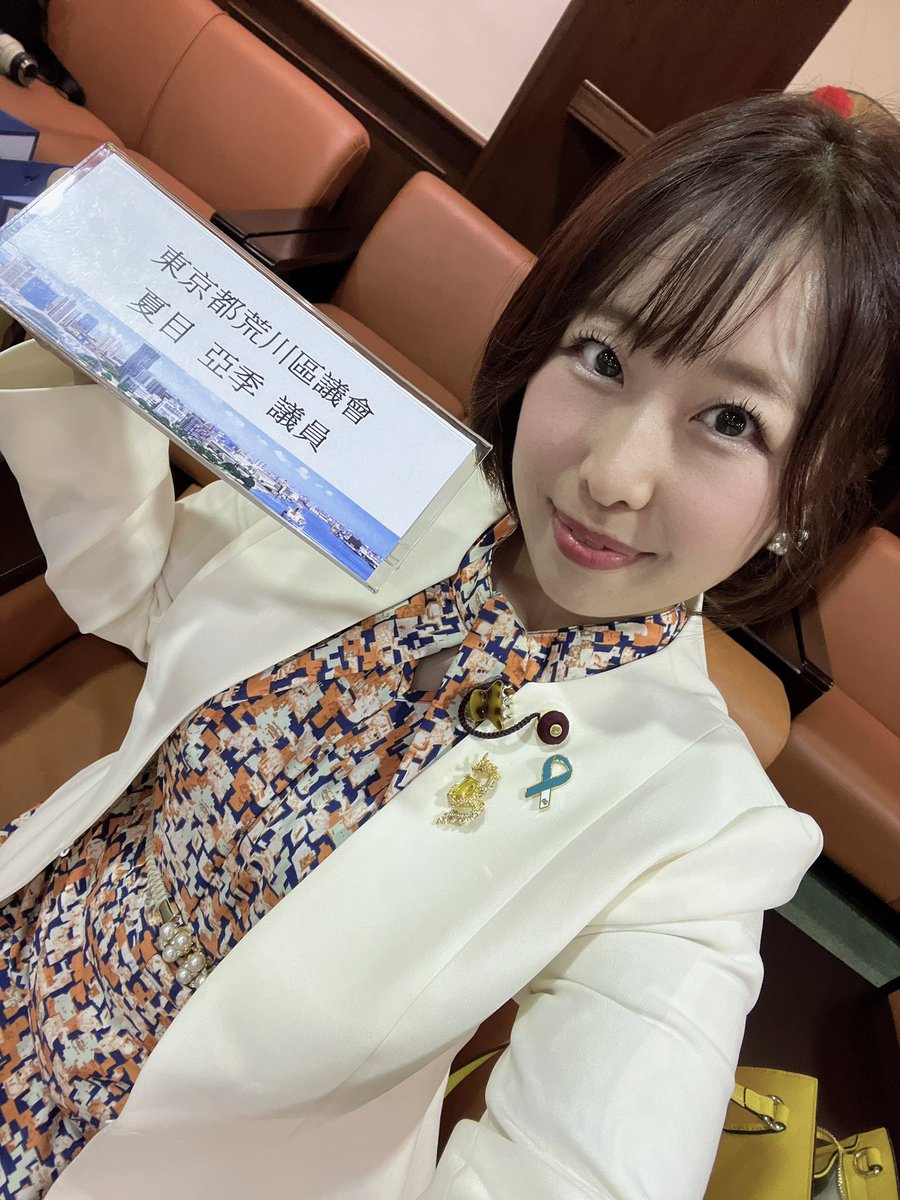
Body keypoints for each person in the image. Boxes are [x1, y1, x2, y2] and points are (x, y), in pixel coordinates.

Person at [0, 89, 897, 1200]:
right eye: (603, 355)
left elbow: (579, 1171)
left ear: (814, 487)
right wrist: (80, 342)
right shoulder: (396, 492)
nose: (612, 475)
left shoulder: (702, 833)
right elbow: (144, 596)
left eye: (731, 420)